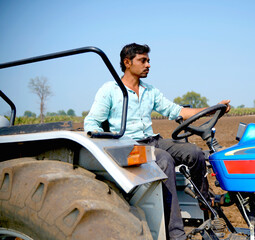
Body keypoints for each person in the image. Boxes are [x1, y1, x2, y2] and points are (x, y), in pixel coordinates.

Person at [84, 43, 231, 240]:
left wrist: (212, 109)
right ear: (127, 63)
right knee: (164, 160)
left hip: (152, 141)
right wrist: (106, 143)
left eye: (148, 60)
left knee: (194, 152)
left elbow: (176, 111)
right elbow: (92, 122)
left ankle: (206, 202)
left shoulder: (149, 91)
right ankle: (176, 234)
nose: (148, 65)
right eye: (142, 60)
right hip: (128, 146)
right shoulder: (110, 90)